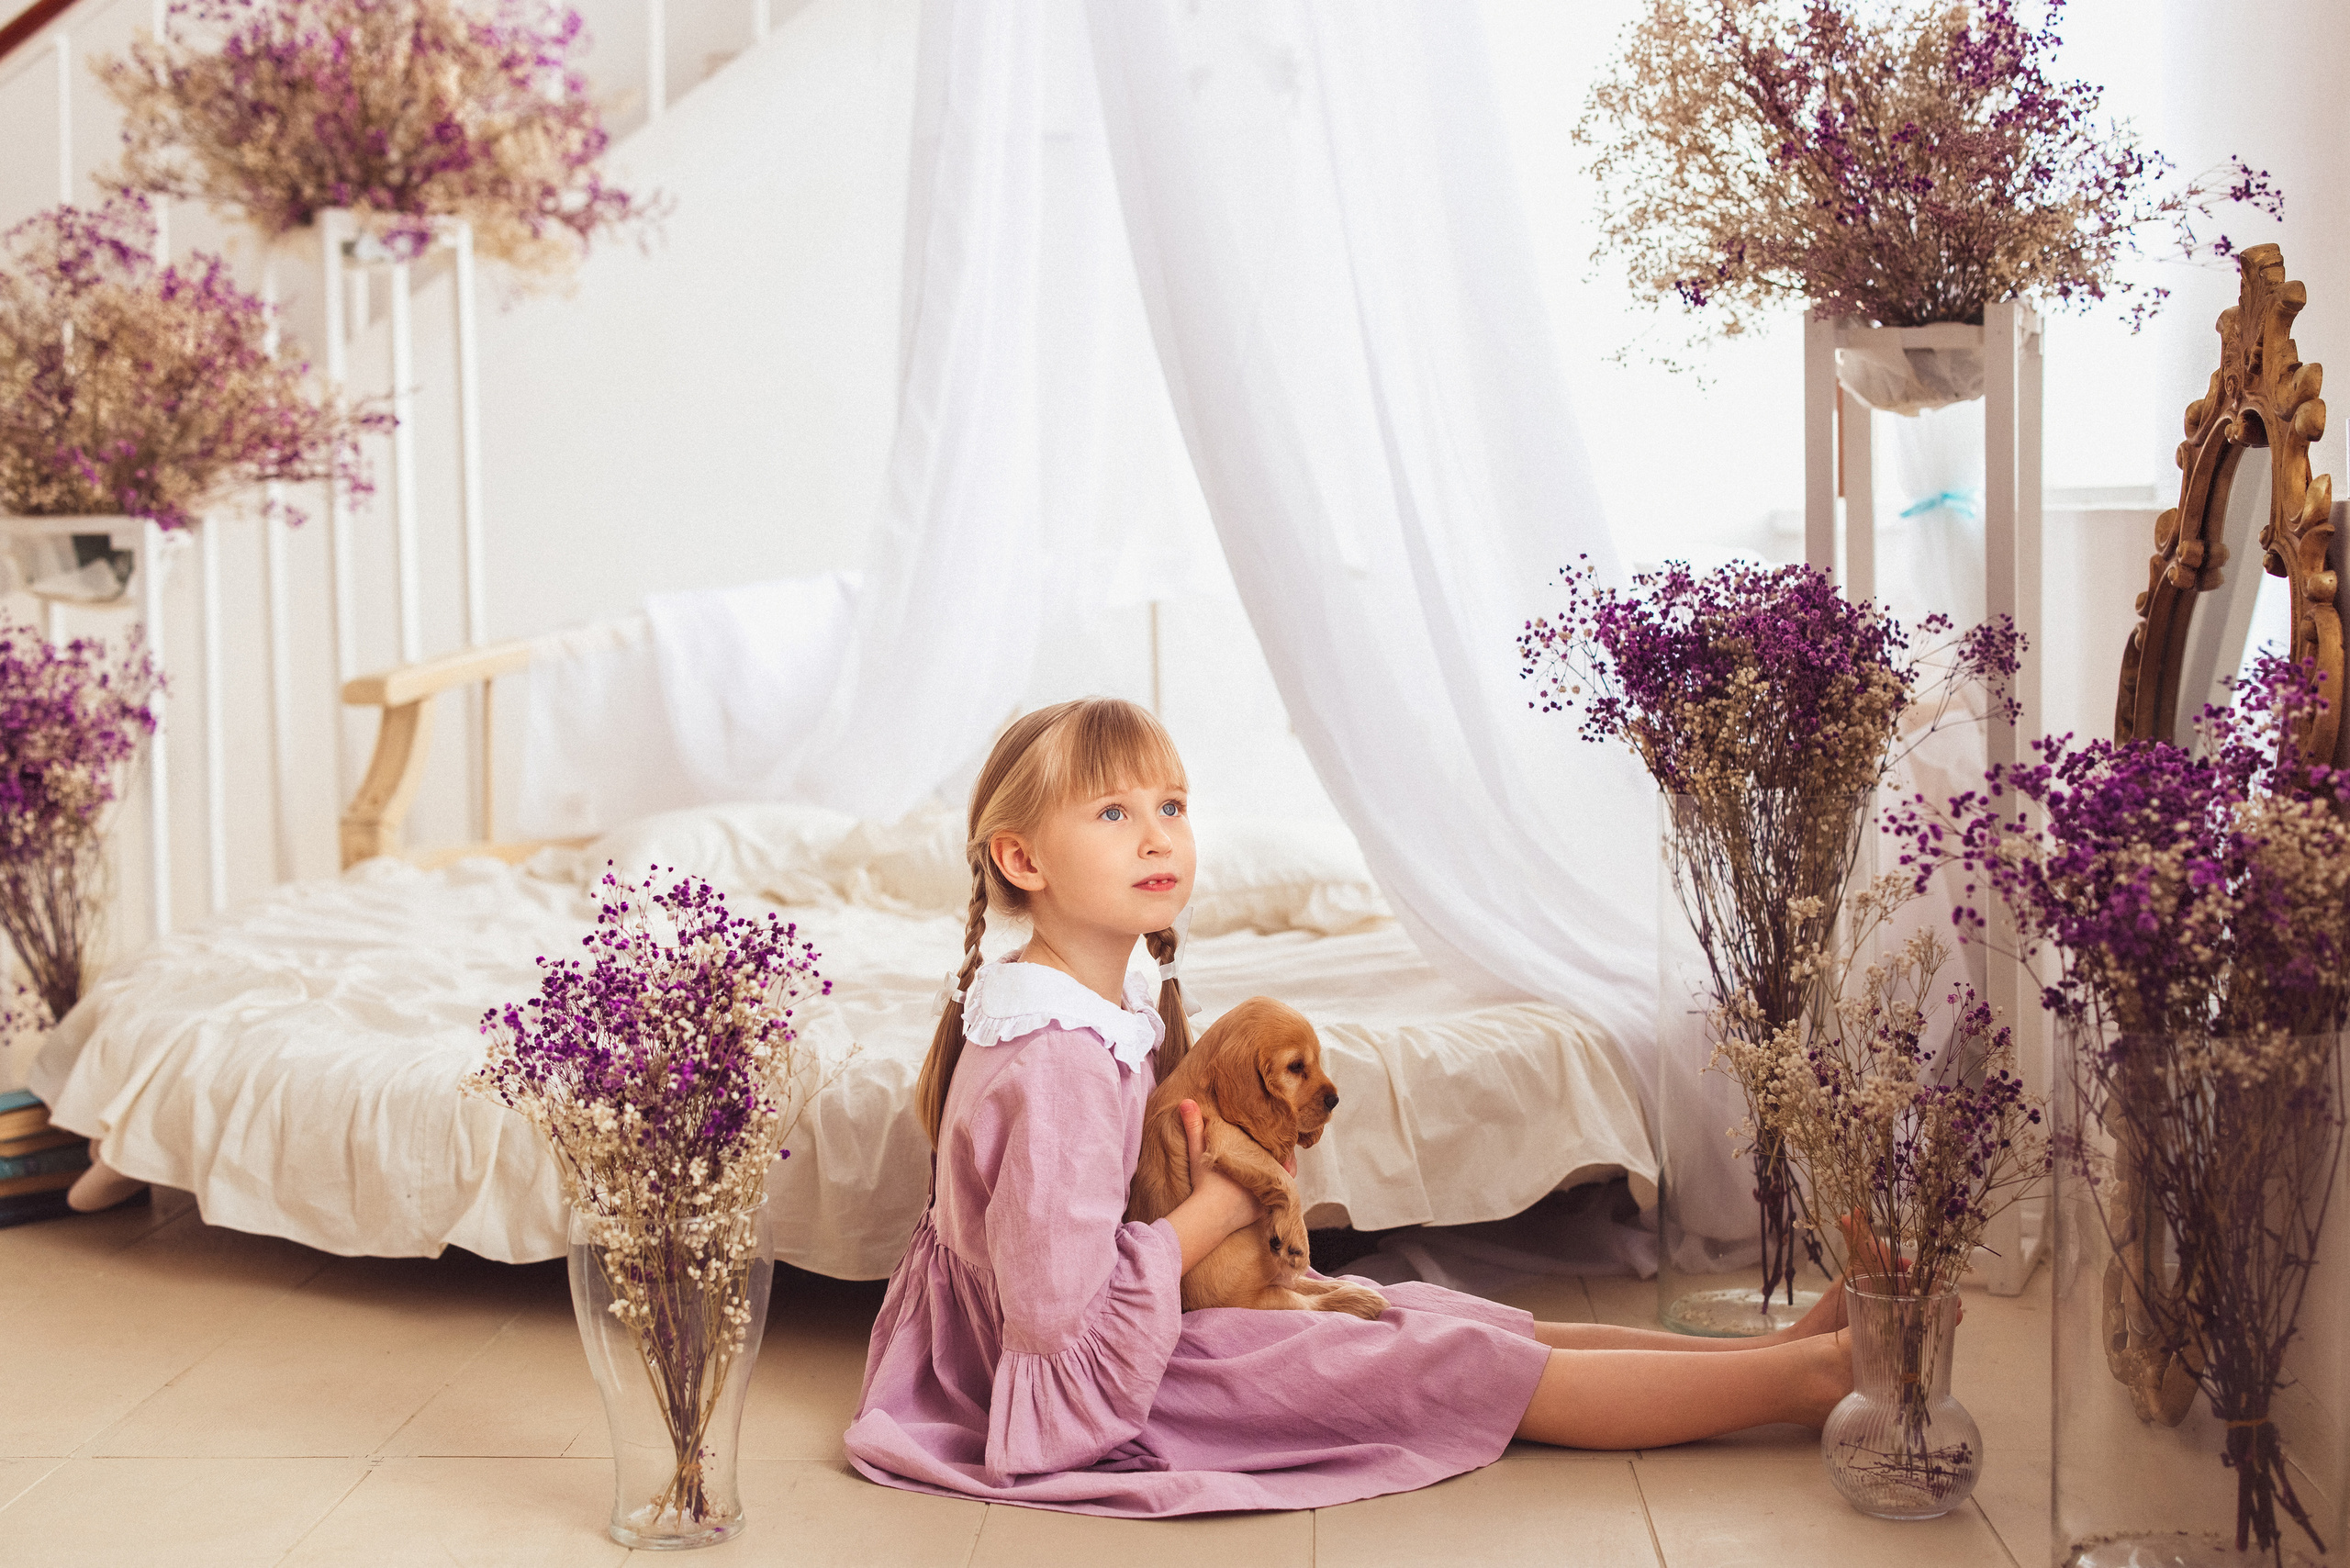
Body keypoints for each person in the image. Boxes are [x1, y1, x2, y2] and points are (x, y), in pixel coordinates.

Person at [844, 697, 1851, 1517]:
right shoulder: (1053, 1055)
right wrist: (1224, 1209)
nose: (1158, 836)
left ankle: (1778, 1351)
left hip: (1151, 1316)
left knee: (1440, 1313)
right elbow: (1061, 1324)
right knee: (1441, 1359)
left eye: (1173, 805)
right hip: (1110, 1381)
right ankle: (1800, 1386)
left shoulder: (1089, 1007)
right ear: (1023, 860)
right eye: (1112, 814)